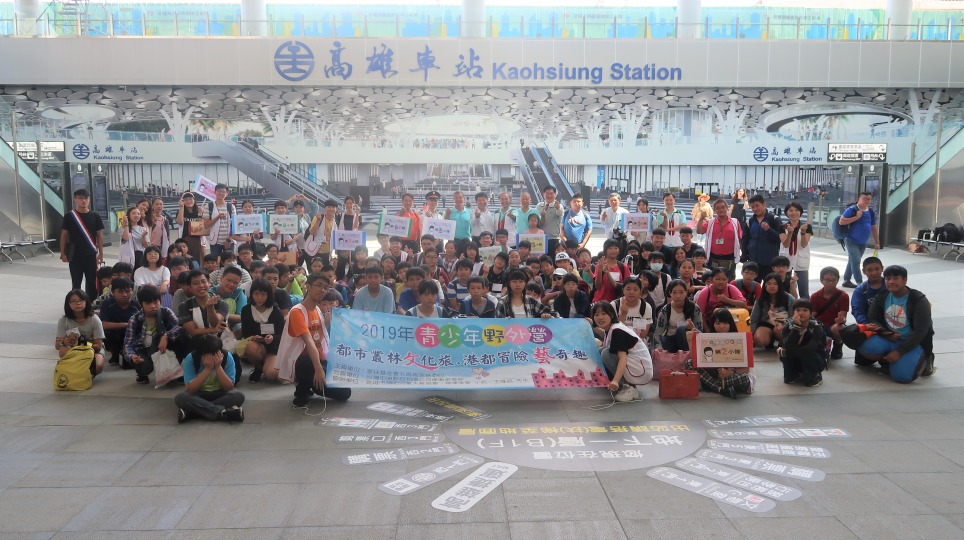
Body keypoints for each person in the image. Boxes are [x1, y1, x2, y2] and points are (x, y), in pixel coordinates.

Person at [277, 273, 352, 408]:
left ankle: (310, 384)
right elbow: (309, 340)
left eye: (325, 287)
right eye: (319, 285)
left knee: (345, 392)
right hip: (302, 362)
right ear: (308, 286)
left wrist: (327, 323)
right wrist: (318, 369)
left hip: (317, 359)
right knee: (306, 361)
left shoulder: (317, 309)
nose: (322, 290)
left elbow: (320, 337)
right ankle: (301, 394)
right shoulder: (297, 312)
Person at [856, 265, 936, 382]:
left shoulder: (918, 299)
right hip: (890, 339)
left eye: (896, 278)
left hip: (913, 343)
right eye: (888, 279)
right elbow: (872, 318)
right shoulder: (882, 296)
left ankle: (924, 358)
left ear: (905, 280)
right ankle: (889, 360)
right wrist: (886, 333)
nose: (891, 282)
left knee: (903, 377)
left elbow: (920, 331)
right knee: (863, 347)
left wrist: (899, 352)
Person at [175, 334, 245, 423]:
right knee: (181, 398)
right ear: (201, 353)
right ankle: (223, 412)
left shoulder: (227, 356)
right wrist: (207, 369)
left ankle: (192, 413)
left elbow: (228, 387)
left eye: (215, 353)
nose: (213, 357)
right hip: (198, 394)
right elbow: (191, 389)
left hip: (221, 393)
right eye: (208, 355)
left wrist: (218, 367)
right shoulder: (191, 358)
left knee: (238, 396)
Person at [591, 301, 653, 402]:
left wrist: (615, 380)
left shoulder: (617, 331)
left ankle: (629, 387)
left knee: (606, 354)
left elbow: (623, 358)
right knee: (600, 351)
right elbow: (607, 338)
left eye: (604, 313)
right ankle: (617, 382)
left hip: (640, 368)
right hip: (634, 363)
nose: (600, 317)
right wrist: (592, 325)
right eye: (596, 314)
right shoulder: (611, 328)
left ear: (611, 315)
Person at [123, 284, 185, 384]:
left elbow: (180, 326)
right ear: (140, 304)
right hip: (144, 350)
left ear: (160, 301)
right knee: (144, 367)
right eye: (148, 303)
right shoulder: (134, 320)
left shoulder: (166, 312)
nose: (153, 306)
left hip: (163, 347)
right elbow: (127, 345)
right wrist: (132, 356)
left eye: (155, 302)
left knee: (182, 338)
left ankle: (174, 370)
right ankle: (142, 374)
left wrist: (166, 336)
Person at [685, 309, 753, 398]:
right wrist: (690, 341)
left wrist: (730, 372)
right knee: (689, 363)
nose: (721, 326)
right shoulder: (708, 340)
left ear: (730, 324)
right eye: (718, 323)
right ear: (713, 324)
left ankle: (709, 385)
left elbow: (746, 370)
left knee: (743, 378)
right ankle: (719, 388)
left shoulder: (739, 340)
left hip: (733, 375)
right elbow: (696, 361)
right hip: (715, 374)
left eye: (725, 323)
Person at [238, 278, 285, 383]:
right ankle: (258, 368)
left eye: (263, 294)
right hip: (257, 346)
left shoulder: (276, 311)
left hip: (273, 348)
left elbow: (282, 335)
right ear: (252, 293)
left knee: (271, 374)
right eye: (256, 294)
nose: (259, 298)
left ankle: (269, 365)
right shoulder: (246, 310)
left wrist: (273, 338)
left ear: (269, 295)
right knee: (250, 348)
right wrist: (254, 338)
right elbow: (246, 333)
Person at [55, 289, 105, 378]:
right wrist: (64, 342)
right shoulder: (64, 321)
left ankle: (83, 374)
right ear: (68, 304)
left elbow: (98, 346)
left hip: (93, 349)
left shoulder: (94, 320)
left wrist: (82, 345)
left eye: (81, 300)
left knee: (98, 365)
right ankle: (76, 372)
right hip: (73, 349)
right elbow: (57, 345)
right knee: (63, 350)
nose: (77, 303)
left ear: (86, 302)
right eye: (73, 301)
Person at [777, 299, 826, 388]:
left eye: (805, 310)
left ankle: (815, 375)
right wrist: (797, 327)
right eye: (798, 310)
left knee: (791, 353)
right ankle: (794, 374)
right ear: (793, 313)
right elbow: (788, 345)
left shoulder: (816, 328)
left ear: (810, 314)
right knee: (789, 379)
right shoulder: (787, 327)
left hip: (813, 358)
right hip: (797, 356)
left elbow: (810, 349)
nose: (801, 313)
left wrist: (786, 352)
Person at [839, 192, 881, 288]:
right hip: (851, 240)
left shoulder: (870, 212)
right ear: (859, 199)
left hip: (863, 242)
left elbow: (874, 227)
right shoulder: (852, 209)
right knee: (856, 261)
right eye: (865, 198)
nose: (867, 201)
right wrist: (856, 217)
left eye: (869, 199)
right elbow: (841, 221)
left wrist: (877, 242)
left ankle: (846, 280)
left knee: (852, 261)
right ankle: (860, 283)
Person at [652, 280, 704, 353]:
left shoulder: (694, 308)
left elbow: (700, 333)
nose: (678, 296)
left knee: (681, 329)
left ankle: (687, 355)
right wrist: (659, 348)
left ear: (686, 292)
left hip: (688, 340)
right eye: (674, 292)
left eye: (681, 292)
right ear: (670, 293)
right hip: (670, 339)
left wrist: (692, 328)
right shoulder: (666, 309)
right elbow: (658, 332)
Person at [98, 277, 140, 367]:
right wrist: (126, 325)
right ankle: (115, 353)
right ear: (113, 292)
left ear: (132, 291)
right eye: (120, 292)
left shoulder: (137, 305)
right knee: (106, 333)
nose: (124, 294)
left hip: (131, 335)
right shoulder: (107, 304)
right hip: (114, 334)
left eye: (128, 291)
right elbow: (104, 325)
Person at [697, 198, 742, 281]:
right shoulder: (710, 222)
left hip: (730, 259)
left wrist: (741, 254)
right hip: (713, 258)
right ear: (714, 210)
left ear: (727, 208)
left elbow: (739, 239)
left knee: (729, 281)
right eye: (717, 208)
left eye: (723, 207)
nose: (721, 209)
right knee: (713, 281)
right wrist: (701, 219)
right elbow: (699, 231)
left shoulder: (735, 222)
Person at [810, 266, 849, 360]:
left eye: (833, 280)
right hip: (819, 326)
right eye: (827, 280)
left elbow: (843, 316)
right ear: (821, 280)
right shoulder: (815, 296)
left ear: (837, 280)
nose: (831, 283)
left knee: (839, 328)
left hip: (834, 326)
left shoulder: (843, 296)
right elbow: (812, 315)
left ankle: (838, 345)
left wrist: (841, 320)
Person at [742, 194, 782, 281]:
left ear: (764, 204)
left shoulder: (774, 219)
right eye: (753, 207)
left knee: (769, 286)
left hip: (770, 263)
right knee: (753, 287)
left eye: (757, 205)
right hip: (753, 263)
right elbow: (745, 241)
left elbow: (780, 239)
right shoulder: (750, 222)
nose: (755, 209)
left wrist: (769, 230)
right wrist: (744, 258)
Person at [750, 273, 795, 349]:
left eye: (775, 284)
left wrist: (784, 322)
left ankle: (782, 342)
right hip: (766, 324)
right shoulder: (761, 300)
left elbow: (793, 317)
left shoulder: (788, 298)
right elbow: (754, 318)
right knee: (759, 340)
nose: (772, 286)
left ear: (779, 285)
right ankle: (770, 339)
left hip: (784, 324)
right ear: (765, 285)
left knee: (778, 330)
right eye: (769, 283)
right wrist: (752, 335)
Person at [780, 201, 813, 298]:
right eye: (790, 210)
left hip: (801, 261)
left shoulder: (807, 227)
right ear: (787, 213)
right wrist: (790, 233)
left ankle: (804, 307)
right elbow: (786, 244)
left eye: (796, 210)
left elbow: (804, 244)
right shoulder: (782, 227)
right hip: (786, 261)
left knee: (804, 292)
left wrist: (802, 232)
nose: (794, 213)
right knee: (785, 291)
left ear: (800, 212)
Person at [612, 275, 653, 340]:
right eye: (628, 289)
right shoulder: (614, 305)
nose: (631, 292)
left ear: (640, 291)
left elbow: (643, 334)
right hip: (618, 340)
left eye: (635, 289)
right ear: (623, 290)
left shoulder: (646, 307)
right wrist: (623, 314)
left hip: (638, 340)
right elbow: (614, 330)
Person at [201, 183, 235, 258]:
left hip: (229, 241)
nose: (221, 193)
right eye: (219, 191)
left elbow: (234, 225)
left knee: (229, 262)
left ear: (226, 194)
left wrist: (229, 240)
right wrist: (217, 217)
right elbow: (206, 226)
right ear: (215, 192)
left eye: (223, 192)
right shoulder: (209, 206)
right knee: (215, 262)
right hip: (215, 242)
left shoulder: (231, 207)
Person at [849, 256, 886, 325]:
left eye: (877, 269)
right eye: (870, 270)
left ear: (882, 268)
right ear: (864, 271)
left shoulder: (890, 286)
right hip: (870, 324)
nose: (874, 273)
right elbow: (857, 310)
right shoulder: (860, 290)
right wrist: (865, 324)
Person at [175, 192, 204, 262]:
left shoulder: (199, 211)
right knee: (185, 260)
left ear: (194, 200)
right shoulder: (181, 211)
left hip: (197, 240)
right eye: (186, 199)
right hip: (185, 239)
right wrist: (181, 207)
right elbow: (179, 222)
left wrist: (200, 214)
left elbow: (202, 227)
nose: (188, 201)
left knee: (197, 260)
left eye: (190, 199)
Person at [535, 186, 565, 254]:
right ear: (543, 194)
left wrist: (557, 208)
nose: (549, 196)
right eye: (547, 193)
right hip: (540, 238)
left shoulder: (559, 206)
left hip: (553, 238)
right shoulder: (539, 206)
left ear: (555, 194)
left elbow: (559, 214)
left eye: (551, 193)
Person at [120, 205, 149, 270]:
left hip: (139, 255)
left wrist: (143, 236)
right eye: (134, 213)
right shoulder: (122, 228)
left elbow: (146, 246)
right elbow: (125, 238)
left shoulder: (143, 229)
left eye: (138, 214)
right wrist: (126, 224)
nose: (136, 215)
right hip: (128, 254)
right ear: (128, 216)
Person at [445, 191, 473, 255]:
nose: (458, 199)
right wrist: (448, 214)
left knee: (466, 259)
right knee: (453, 258)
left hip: (466, 240)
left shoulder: (469, 212)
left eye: (460, 197)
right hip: (453, 240)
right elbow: (445, 225)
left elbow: (472, 226)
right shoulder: (449, 211)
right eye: (456, 198)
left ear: (464, 199)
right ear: (453, 200)